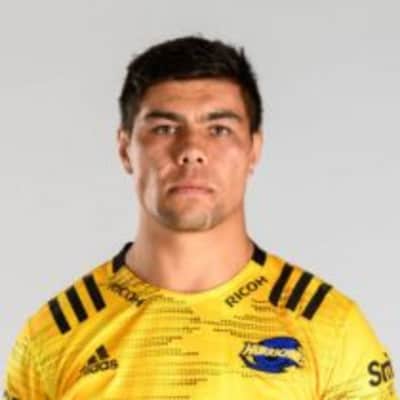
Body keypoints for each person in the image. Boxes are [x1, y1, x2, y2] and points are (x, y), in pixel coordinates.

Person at [2, 35, 397, 400]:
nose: (191, 150)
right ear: (125, 149)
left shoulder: (332, 329)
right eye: (164, 128)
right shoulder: (52, 337)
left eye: (219, 129)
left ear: (253, 150)